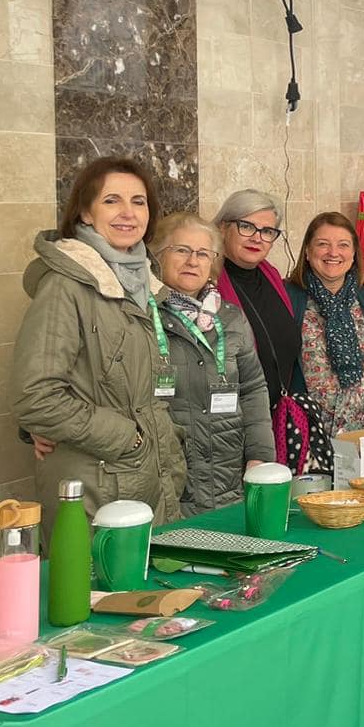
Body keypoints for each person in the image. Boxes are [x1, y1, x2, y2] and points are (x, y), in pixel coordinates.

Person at [12, 157, 187, 522]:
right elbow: (37, 396)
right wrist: (129, 439)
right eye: (111, 201)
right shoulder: (65, 285)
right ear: (86, 213)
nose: (128, 213)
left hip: (148, 480)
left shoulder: (145, 285)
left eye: (138, 202)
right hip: (95, 489)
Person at [151, 212, 274, 516]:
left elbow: (254, 388)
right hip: (168, 479)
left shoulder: (231, 317)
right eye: (181, 250)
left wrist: (260, 455)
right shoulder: (141, 316)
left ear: (213, 263)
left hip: (227, 479)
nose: (192, 261)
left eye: (203, 253)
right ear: (157, 257)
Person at [289, 212, 364, 448]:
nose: (333, 253)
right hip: (307, 431)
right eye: (322, 244)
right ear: (307, 251)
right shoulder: (287, 296)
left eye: (343, 245)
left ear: (354, 254)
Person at [212, 190, 309, 468]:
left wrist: (362, 282)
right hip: (230, 430)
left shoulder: (272, 276)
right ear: (223, 227)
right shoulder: (207, 282)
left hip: (276, 422)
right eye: (247, 226)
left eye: (267, 231)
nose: (257, 237)